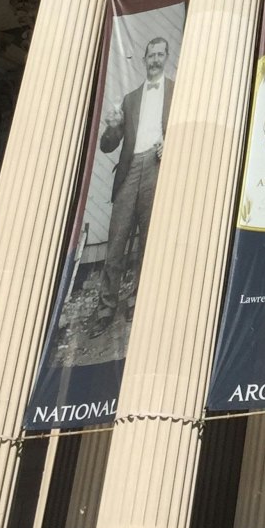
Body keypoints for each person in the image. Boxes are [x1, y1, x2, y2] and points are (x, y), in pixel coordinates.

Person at [96, 36, 175, 319]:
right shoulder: (130, 100)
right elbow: (108, 146)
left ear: (167, 57)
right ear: (143, 60)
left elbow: (186, 134)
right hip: (130, 169)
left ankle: (138, 301)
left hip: (157, 166)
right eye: (150, 55)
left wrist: (173, 142)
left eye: (159, 55)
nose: (154, 60)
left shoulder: (177, 93)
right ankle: (106, 306)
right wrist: (112, 127)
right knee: (117, 238)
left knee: (149, 239)